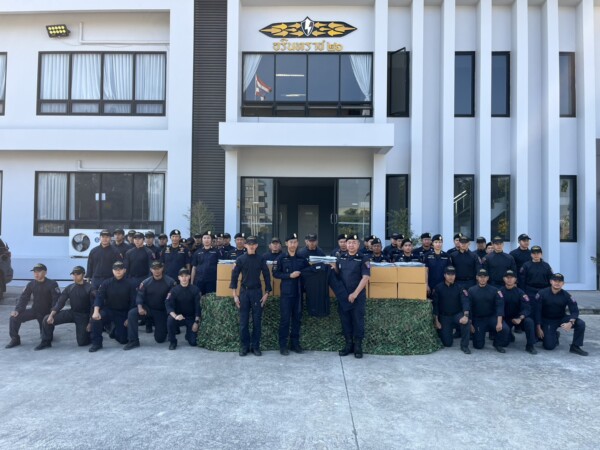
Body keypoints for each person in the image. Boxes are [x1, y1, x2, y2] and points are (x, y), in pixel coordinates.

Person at [230, 235, 272, 356]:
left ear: (256, 245)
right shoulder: (240, 259)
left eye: (253, 244)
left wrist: (267, 293)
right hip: (244, 293)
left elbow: (267, 276)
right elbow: (234, 277)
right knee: (244, 322)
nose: (252, 246)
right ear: (245, 245)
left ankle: (255, 346)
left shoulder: (261, 259)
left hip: (257, 293)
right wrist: (235, 295)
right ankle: (244, 347)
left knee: (257, 321)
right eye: (249, 244)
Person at [35, 266, 94, 350]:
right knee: (46, 319)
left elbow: (93, 306)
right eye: (73, 274)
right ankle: (46, 342)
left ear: (83, 274)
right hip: (72, 312)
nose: (75, 276)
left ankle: (90, 334)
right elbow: (60, 303)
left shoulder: (90, 288)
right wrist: (51, 315)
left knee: (82, 342)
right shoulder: (70, 287)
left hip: (83, 316)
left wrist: (90, 322)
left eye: (77, 274)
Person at [331, 234, 370, 359]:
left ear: (358, 245)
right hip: (344, 296)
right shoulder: (341, 257)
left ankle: (358, 346)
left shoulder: (363, 258)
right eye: (349, 243)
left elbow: (366, 278)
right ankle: (348, 345)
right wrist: (334, 268)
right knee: (345, 320)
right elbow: (339, 274)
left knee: (358, 321)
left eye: (354, 242)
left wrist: (355, 294)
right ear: (346, 245)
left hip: (357, 296)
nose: (351, 245)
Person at [123, 261, 176, 350]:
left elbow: (172, 300)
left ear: (162, 268)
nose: (156, 271)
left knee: (160, 339)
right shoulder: (145, 282)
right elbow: (139, 296)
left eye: (158, 268)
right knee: (132, 313)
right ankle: (133, 341)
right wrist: (140, 308)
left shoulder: (170, 282)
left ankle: (164, 328)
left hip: (161, 311)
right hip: (148, 309)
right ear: (151, 270)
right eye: (154, 269)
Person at [6, 263, 60, 348]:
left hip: (46, 314)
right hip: (34, 310)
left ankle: (45, 333)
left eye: (39, 271)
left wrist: (52, 314)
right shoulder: (31, 284)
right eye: (34, 272)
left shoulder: (52, 284)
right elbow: (24, 298)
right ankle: (15, 339)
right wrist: (17, 310)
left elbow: (56, 300)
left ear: (45, 272)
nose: (36, 274)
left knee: (46, 337)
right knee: (14, 318)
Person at [272, 233, 309, 355]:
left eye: (295, 242)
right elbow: (275, 274)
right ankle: (283, 346)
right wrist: (289, 275)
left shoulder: (302, 259)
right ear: (286, 244)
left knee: (297, 320)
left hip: (298, 293)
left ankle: (295, 344)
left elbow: (309, 272)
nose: (293, 244)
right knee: (285, 320)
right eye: (291, 242)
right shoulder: (281, 258)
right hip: (286, 295)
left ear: (298, 243)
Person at [535, 273, 588, 356]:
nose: (557, 283)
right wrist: (538, 327)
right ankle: (556, 335)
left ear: (563, 283)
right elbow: (537, 311)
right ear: (551, 281)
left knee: (580, 323)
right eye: (555, 280)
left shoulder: (567, 295)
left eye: (560, 281)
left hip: (561, 318)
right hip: (548, 320)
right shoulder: (542, 293)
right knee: (549, 346)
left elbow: (574, 311)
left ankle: (575, 346)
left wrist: (570, 322)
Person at [89, 261, 136, 352]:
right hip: (109, 311)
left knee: (123, 340)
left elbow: (133, 302)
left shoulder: (131, 283)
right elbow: (99, 297)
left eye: (120, 269)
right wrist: (96, 311)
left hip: (123, 313)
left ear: (124, 270)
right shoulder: (106, 283)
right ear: (112, 271)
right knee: (95, 319)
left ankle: (113, 330)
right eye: (116, 269)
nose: (118, 271)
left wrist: (128, 318)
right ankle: (97, 343)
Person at [462, 269, 510, 353]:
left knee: (505, 328)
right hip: (478, 319)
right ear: (477, 277)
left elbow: (500, 306)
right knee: (478, 346)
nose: (482, 279)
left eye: (484, 277)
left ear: (488, 278)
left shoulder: (495, 290)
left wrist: (499, 322)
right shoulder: (471, 290)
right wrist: (470, 323)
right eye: (480, 277)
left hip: (491, 317)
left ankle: (497, 344)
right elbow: (468, 307)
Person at [431, 266, 471, 354]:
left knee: (466, 322)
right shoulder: (438, 288)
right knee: (447, 343)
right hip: (444, 317)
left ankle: (464, 346)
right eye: (448, 274)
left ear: (455, 276)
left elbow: (465, 302)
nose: (451, 276)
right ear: (444, 275)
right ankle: (447, 333)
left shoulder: (460, 287)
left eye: (453, 274)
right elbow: (435, 305)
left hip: (457, 315)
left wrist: (465, 316)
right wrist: (436, 321)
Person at [500, 270, 537, 354]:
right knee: (504, 343)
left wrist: (520, 318)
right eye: (507, 277)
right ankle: (509, 335)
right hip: (505, 319)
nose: (509, 279)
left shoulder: (521, 293)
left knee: (529, 321)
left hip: (519, 318)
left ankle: (530, 345)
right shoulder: (500, 292)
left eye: (511, 277)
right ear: (504, 279)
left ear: (515, 279)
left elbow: (527, 308)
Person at [165, 268, 201, 350]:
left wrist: (196, 322)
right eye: (182, 276)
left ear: (189, 277)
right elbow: (168, 304)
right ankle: (172, 342)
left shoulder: (195, 289)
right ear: (179, 278)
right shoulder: (174, 290)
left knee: (193, 342)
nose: (184, 278)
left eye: (186, 276)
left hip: (190, 317)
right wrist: (175, 316)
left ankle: (188, 335)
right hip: (178, 317)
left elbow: (198, 307)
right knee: (170, 319)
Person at [190, 231, 219, 295]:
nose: (206, 240)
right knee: (199, 298)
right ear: (202, 240)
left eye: (208, 238)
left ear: (211, 240)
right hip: (199, 281)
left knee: (210, 298)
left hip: (212, 281)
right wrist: (191, 282)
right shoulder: (197, 252)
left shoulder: (216, 252)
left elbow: (220, 267)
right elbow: (194, 268)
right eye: (204, 238)